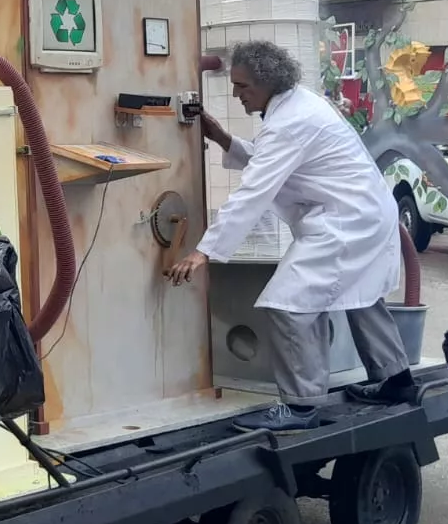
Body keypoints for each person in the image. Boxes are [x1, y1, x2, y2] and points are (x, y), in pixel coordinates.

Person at [166, 40, 414, 432]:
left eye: (243, 86)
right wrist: (222, 138)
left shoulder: (290, 122)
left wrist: (204, 251)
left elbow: (254, 192)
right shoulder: (298, 106)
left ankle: (301, 406)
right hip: (360, 214)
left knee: (288, 303)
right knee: (361, 296)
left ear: (267, 83)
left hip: (346, 222)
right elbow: (274, 163)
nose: (236, 93)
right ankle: (398, 381)